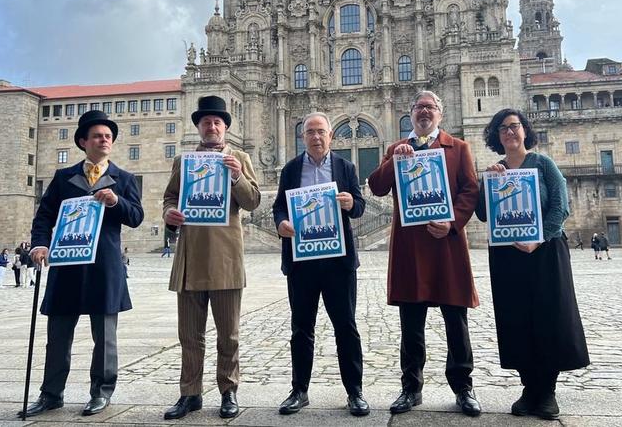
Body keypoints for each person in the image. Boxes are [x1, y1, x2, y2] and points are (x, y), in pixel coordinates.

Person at [20, 110, 144, 418]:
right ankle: (51, 394)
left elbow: (136, 217)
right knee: (58, 335)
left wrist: (117, 202)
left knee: (105, 338)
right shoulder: (63, 178)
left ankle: (101, 392)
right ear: (82, 141)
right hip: (66, 265)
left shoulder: (124, 179)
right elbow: (45, 215)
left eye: (108, 137)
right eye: (98, 136)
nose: (104, 141)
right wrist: (39, 244)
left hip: (104, 265)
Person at [368, 90, 482, 417]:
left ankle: (463, 388)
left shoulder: (458, 148)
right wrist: (394, 161)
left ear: (439, 114)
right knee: (411, 324)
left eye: (430, 107)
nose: (424, 112)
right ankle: (411, 388)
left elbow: (470, 190)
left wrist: (452, 221)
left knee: (455, 321)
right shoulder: (396, 150)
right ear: (411, 113)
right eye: (419, 107)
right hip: (411, 248)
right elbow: (376, 186)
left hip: (446, 244)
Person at [475, 108, 589, 420]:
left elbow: (560, 206)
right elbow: (484, 214)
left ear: (525, 130)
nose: (509, 133)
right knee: (517, 319)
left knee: (548, 317)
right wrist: (487, 184)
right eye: (503, 129)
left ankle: (547, 392)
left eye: (514, 126)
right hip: (508, 255)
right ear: (496, 137)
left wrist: (539, 238)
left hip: (545, 252)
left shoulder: (543, 164)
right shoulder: (495, 170)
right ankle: (528, 388)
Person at [162, 96, 261, 421]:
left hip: (226, 258)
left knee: (228, 334)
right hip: (190, 259)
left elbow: (252, 202)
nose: (212, 126)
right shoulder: (183, 161)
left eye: (217, 122)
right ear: (199, 127)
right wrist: (169, 214)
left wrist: (236, 177)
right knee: (189, 335)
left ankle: (228, 391)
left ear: (225, 128)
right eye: (206, 122)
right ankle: (189, 394)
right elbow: (170, 196)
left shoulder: (240, 158)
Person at [272, 112, 370, 417]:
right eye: (310, 132)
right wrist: (282, 223)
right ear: (303, 137)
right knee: (301, 328)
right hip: (302, 263)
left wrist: (352, 204)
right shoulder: (290, 169)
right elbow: (278, 207)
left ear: (331, 136)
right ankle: (299, 390)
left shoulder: (346, 167)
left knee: (346, 327)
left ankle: (355, 392)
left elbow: (360, 206)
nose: (316, 137)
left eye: (321, 132)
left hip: (338, 263)